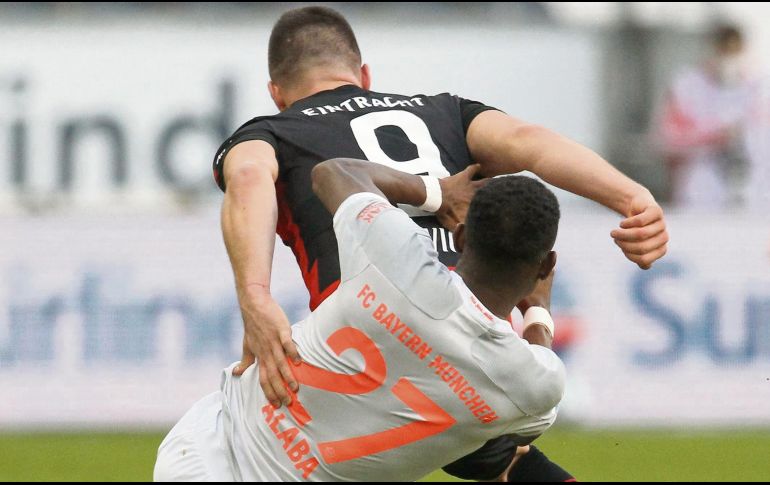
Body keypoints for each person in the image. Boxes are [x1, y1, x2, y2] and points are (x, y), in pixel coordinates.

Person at [215, 6, 667, 480]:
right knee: (497, 446)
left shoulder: (270, 131)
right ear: (364, 75)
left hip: (377, 334)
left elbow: (247, 176)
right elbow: (528, 140)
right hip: (472, 323)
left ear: (276, 94)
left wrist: (255, 296)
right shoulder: (444, 111)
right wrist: (634, 197)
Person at [155, 159, 566, 482]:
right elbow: (530, 386)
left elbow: (333, 172)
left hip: (201, 448)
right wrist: (538, 311)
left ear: (459, 238)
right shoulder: (534, 385)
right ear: (547, 264)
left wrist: (437, 192)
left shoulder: (397, 255)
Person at [659, 24, 759, 209]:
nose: (729, 56)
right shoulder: (687, 85)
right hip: (700, 185)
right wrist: (715, 135)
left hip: (750, 188)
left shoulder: (756, 87)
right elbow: (668, 139)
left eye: (734, 50)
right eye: (724, 49)